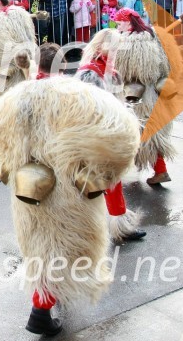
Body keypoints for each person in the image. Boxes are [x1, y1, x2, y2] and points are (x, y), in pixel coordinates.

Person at [0, 77, 140, 336]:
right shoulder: (82, 100)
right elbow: (122, 136)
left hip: (30, 183)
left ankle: (44, 304)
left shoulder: (16, 100)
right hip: (71, 187)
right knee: (68, 245)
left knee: (40, 244)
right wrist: (103, 173)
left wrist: (9, 162)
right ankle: (42, 308)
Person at [76, 28, 147, 242]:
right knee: (96, 182)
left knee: (107, 181)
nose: (116, 52)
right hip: (94, 134)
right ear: (100, 47)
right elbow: (86, 108)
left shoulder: (109, 71)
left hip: (107, 133)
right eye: (113, 47)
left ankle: (118, 224)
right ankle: (108, 226)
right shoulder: (90, 72)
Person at [113, 8, 180, 185]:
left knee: (137, 131)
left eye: (119, 22)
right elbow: (167, 64)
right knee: (152, 133)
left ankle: (153, 170)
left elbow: (128, 71)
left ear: (128, 22)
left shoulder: (132, 42)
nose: (117, 25)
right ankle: (158, 170)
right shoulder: (153, 36)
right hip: (154, 92)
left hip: (138, 95)